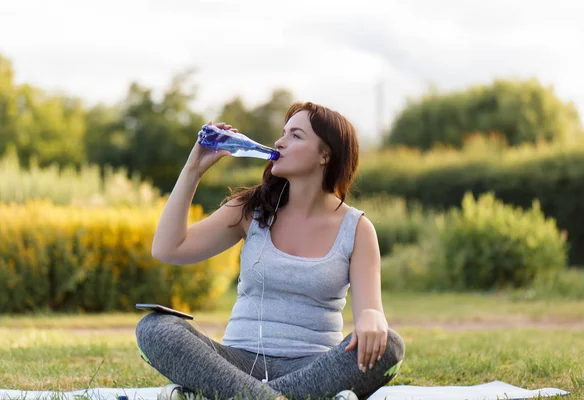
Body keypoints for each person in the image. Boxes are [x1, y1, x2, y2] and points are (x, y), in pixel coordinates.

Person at [136, 102, 405, 400]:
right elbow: (168, 249)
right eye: (283, 133)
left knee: (389, 346)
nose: (279, 142)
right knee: (155, 328)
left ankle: (231, 396)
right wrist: (192, 171)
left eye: (296, 135)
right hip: (236, 364)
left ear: (324, 155)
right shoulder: (250, 209)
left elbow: (371, 310)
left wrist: (372, 318)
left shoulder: (356, 228)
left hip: (314, 369)